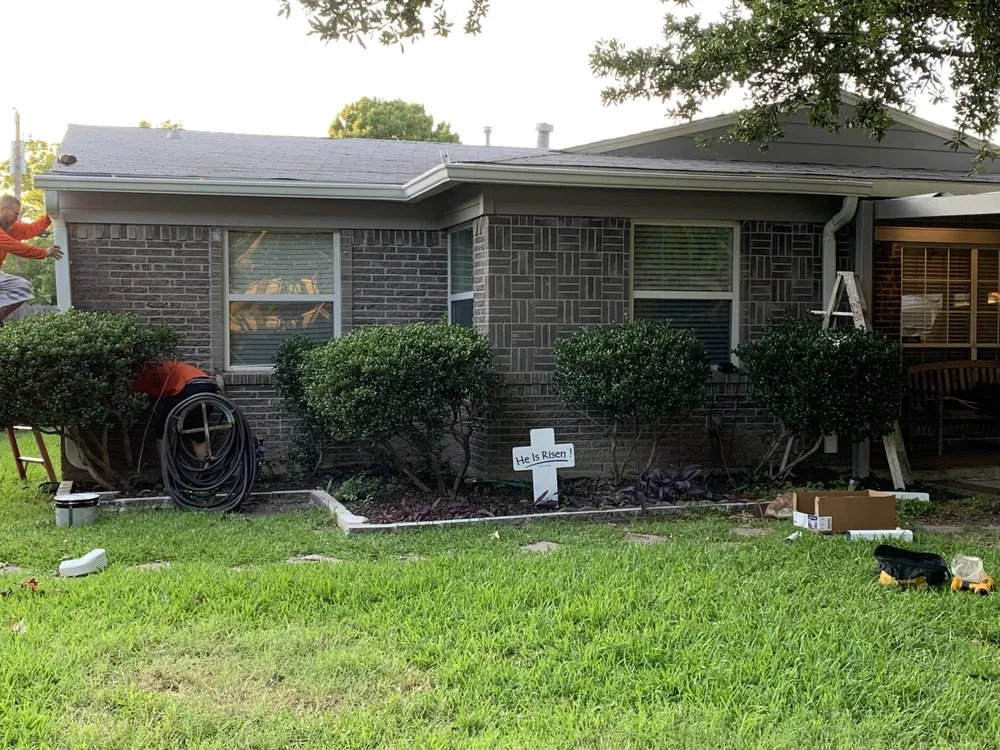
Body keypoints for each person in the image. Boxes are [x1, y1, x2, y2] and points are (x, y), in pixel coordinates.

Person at [131, 360, 221, 462]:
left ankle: (167, 472)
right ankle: (207, 469)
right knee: (198, 431)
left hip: (189, 387)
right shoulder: (158, 365)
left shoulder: (146, 372)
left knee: (163, 429)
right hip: (209, 386)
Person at [0, 194, 63, 324]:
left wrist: (50, 214)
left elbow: (31, 229)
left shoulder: (10, 228)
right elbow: (16, 247)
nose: (16, 218)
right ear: (2, 210)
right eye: (15, 214)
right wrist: (44, 252)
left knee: (23, 287)